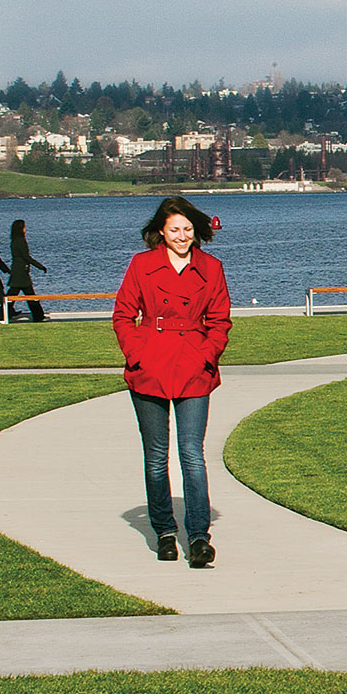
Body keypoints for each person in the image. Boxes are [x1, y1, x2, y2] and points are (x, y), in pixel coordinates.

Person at [112, 196, 231, 567]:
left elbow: (221, 321)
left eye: (187, 230)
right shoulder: (141, 265)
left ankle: (198, 536)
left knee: (192, 456)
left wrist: (206, 356)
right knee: (156, 458)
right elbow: (122, 316)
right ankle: (164, 531)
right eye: (174, 230)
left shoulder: (211, 268)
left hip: (194, 366)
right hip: (150, 366)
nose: (181, 236)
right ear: (160, 232)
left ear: (197, 232)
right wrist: (138, 355)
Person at [6, 218, 47, 325]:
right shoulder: (20, 240)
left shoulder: (15, 240)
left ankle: (4, 313)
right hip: (21, 272)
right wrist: (39, 266)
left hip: (18, 270)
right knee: (29, 295)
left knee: (15, 294)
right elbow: (26, 256)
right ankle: (38, 316)